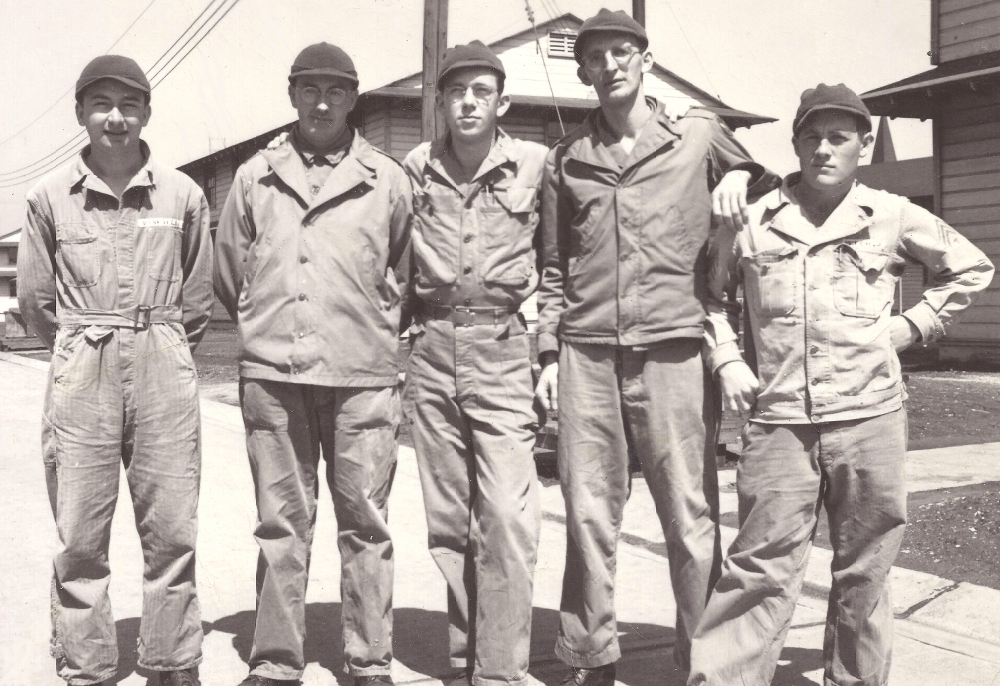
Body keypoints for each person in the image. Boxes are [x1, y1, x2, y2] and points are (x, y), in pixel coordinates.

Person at [687, 83, 994, 686]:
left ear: (863, 143)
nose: (824, 149)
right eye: (812, 136)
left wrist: (914, 325)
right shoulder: (752, 220)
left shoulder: (890, 213)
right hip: (779, 421)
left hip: (870, 415)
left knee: (866, 569)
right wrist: (726, 360)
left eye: (839, 137)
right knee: (758, 568)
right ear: (796, 143)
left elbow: (972, 266)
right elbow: (709, 296)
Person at [533, 9, 779, 684]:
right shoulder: (566, 161)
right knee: (587, 515)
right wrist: (548, 357)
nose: (609, 65)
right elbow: (554, 268)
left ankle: (702, 662)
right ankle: (589, 659)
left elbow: (763, 185)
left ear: (644, 58)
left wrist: (737, 175)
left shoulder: (699, 133)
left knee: (689, 517)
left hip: (674, 347)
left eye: (621, 52)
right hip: (585, 351)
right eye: (595, 57)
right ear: (582, 72)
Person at [213, 43, 412, 686]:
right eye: (309, 89)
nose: (322, 102)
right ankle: (275, 660)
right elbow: (228, 274)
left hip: (363, 380)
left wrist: (370, 331)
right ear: (292, 94)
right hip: (275, 377)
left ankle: (369, 658)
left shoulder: (387, 177)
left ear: (354, 98)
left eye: (335, 90)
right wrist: (270, 326)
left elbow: (407, 275)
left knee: (367, 524)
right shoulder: (255, 175)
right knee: (281, 526)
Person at [17, 55, 214, 686]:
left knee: (172, 528)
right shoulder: (47, 198)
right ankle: (87, 665)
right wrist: (82, 343)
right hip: (83, 365)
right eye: (101, 104)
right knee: (81, 533)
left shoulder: (183, 194)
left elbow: (199, 300)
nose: (115, 117)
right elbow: (36, 302)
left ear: (147, 113)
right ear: (81, 114)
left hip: (164, 358)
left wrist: (161, 342)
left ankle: (172, 661)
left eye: (129, 104)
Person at [401, 41, 544, 686]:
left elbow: (562, 265)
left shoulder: (536, 166)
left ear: (501, 102)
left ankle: (500, 671)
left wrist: (548, 352)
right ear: (440, 102)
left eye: (480, 92)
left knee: (509, 520)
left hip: (504, 351)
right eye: (456, 92)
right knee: (449, 522)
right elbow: (394, 265)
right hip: (431, 352)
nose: (467, 102)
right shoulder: (413, 169)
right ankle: (464, 661)